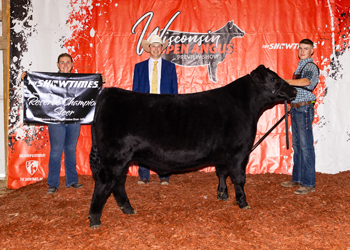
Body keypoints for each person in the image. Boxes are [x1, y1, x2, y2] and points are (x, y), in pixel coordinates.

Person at [21, 53, 105, 194]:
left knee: (71, 149)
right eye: (62, 62)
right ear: (57, 64)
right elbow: (36, 85)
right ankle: (53, 184)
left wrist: (99, 80)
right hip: (55, 120)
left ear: (72, 65)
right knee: (56, 151)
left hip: (74, 119)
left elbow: (92, 90)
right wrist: (27, 78)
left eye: (68, 62)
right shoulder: (50, 80)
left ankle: (72, 180)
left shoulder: (80, 81)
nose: (65, 64)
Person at [132, 35, 178, 185]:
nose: (156, 48)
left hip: (164, 109)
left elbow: (174, 91)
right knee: (142, 142)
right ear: (149, 48)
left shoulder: (170, 67)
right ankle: (144, 175)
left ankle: (164, 174)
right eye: (153, 46)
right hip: (145, 109)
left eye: (159, 46)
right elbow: (135, 91)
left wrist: (173, 109)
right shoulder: (139, 67)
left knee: (164, 142)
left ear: (162, 48)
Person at [281, 39, 319, 195]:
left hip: (304, 109)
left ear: (312, 51)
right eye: (300, 48)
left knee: (306, 146)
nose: (302, 51)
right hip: (297, 109)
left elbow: (307, 82)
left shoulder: (310, 66)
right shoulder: (300, 67)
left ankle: (309, 183)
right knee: (297, 145)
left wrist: (287, 82)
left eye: (306, 48)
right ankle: (297, 178)